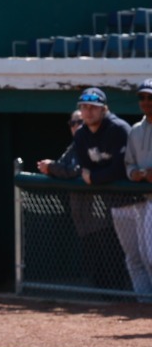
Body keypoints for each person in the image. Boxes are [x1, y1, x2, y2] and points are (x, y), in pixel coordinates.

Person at [31, 88, 133, 290]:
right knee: (117, 263)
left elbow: (117, 168)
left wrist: (94, 177)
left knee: (140, 257)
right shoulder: (81, 136)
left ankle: (139, 301)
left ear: (104, 109)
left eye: (93, 107)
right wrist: (93, 175)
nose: (88, 112)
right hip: (100, 212)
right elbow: (83, 169)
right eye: (84, 107)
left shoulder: (118, 128)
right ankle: (122, 300)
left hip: (131, 204)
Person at [125, 81, 152, 302]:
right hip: (144, 200)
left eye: (150, 98)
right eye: (142, 97)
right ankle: (145, 302)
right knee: (143, 255)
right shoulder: (135, 130)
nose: (146, 102)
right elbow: (129, 163)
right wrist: (134, 173)